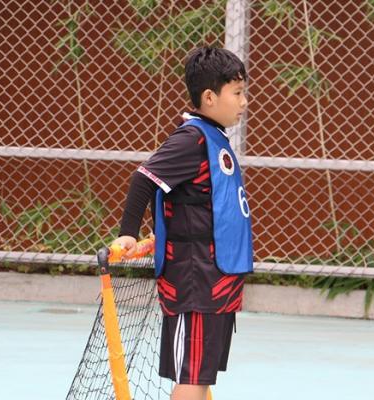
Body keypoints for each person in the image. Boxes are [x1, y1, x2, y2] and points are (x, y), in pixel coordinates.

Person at [111, 46, 253, 400]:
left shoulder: (212, 137)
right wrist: (128, 233)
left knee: (201, 375)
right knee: (191, 376)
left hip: (215, 280)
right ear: (209, 97)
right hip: (194, 282)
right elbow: (144, 178)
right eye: (237, 93)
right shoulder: (191, 140)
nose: (244, 102)